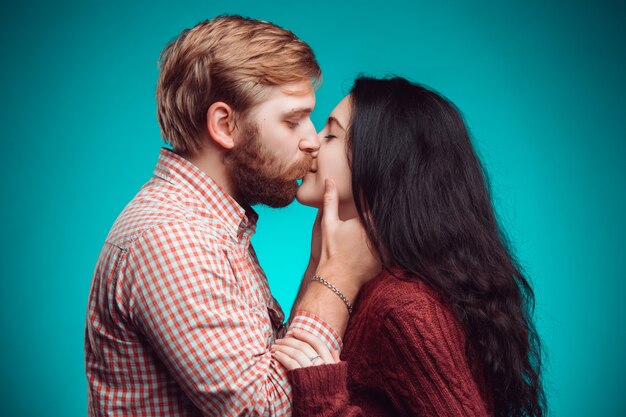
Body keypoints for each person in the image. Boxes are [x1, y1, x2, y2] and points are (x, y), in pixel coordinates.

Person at [85, 16, 379, 416]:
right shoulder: (173, 238)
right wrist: (339, 274)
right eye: (292, 120)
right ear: (225, 124)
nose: (311, 140)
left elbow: (275, 364)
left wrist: (317, 264)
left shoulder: (214, 227)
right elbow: (268, 410)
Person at [271, 76, 546, 417]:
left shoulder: (402, 308)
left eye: (331, 135)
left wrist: (326, 401)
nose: (311, 142)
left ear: (383, 162)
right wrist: (320, 266)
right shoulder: (367, 284)